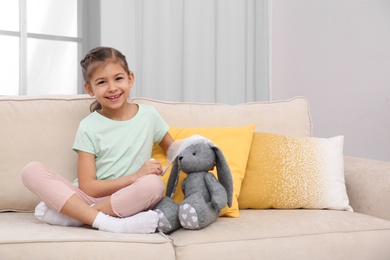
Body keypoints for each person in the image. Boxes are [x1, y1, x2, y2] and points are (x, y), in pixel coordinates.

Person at [21, 46, 174, 234]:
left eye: (118, 78)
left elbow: (174, 150)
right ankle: (108, 222)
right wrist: (135, 176)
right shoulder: (89, 126)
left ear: (130, 78)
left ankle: (78, 217)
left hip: (125, 198)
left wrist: (202, 149)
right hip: (86, 197)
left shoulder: (149, 115)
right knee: (31, 171)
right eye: (102, 82)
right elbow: (89, 187)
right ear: (89, 89)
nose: (112, 88)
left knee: (154, 184)